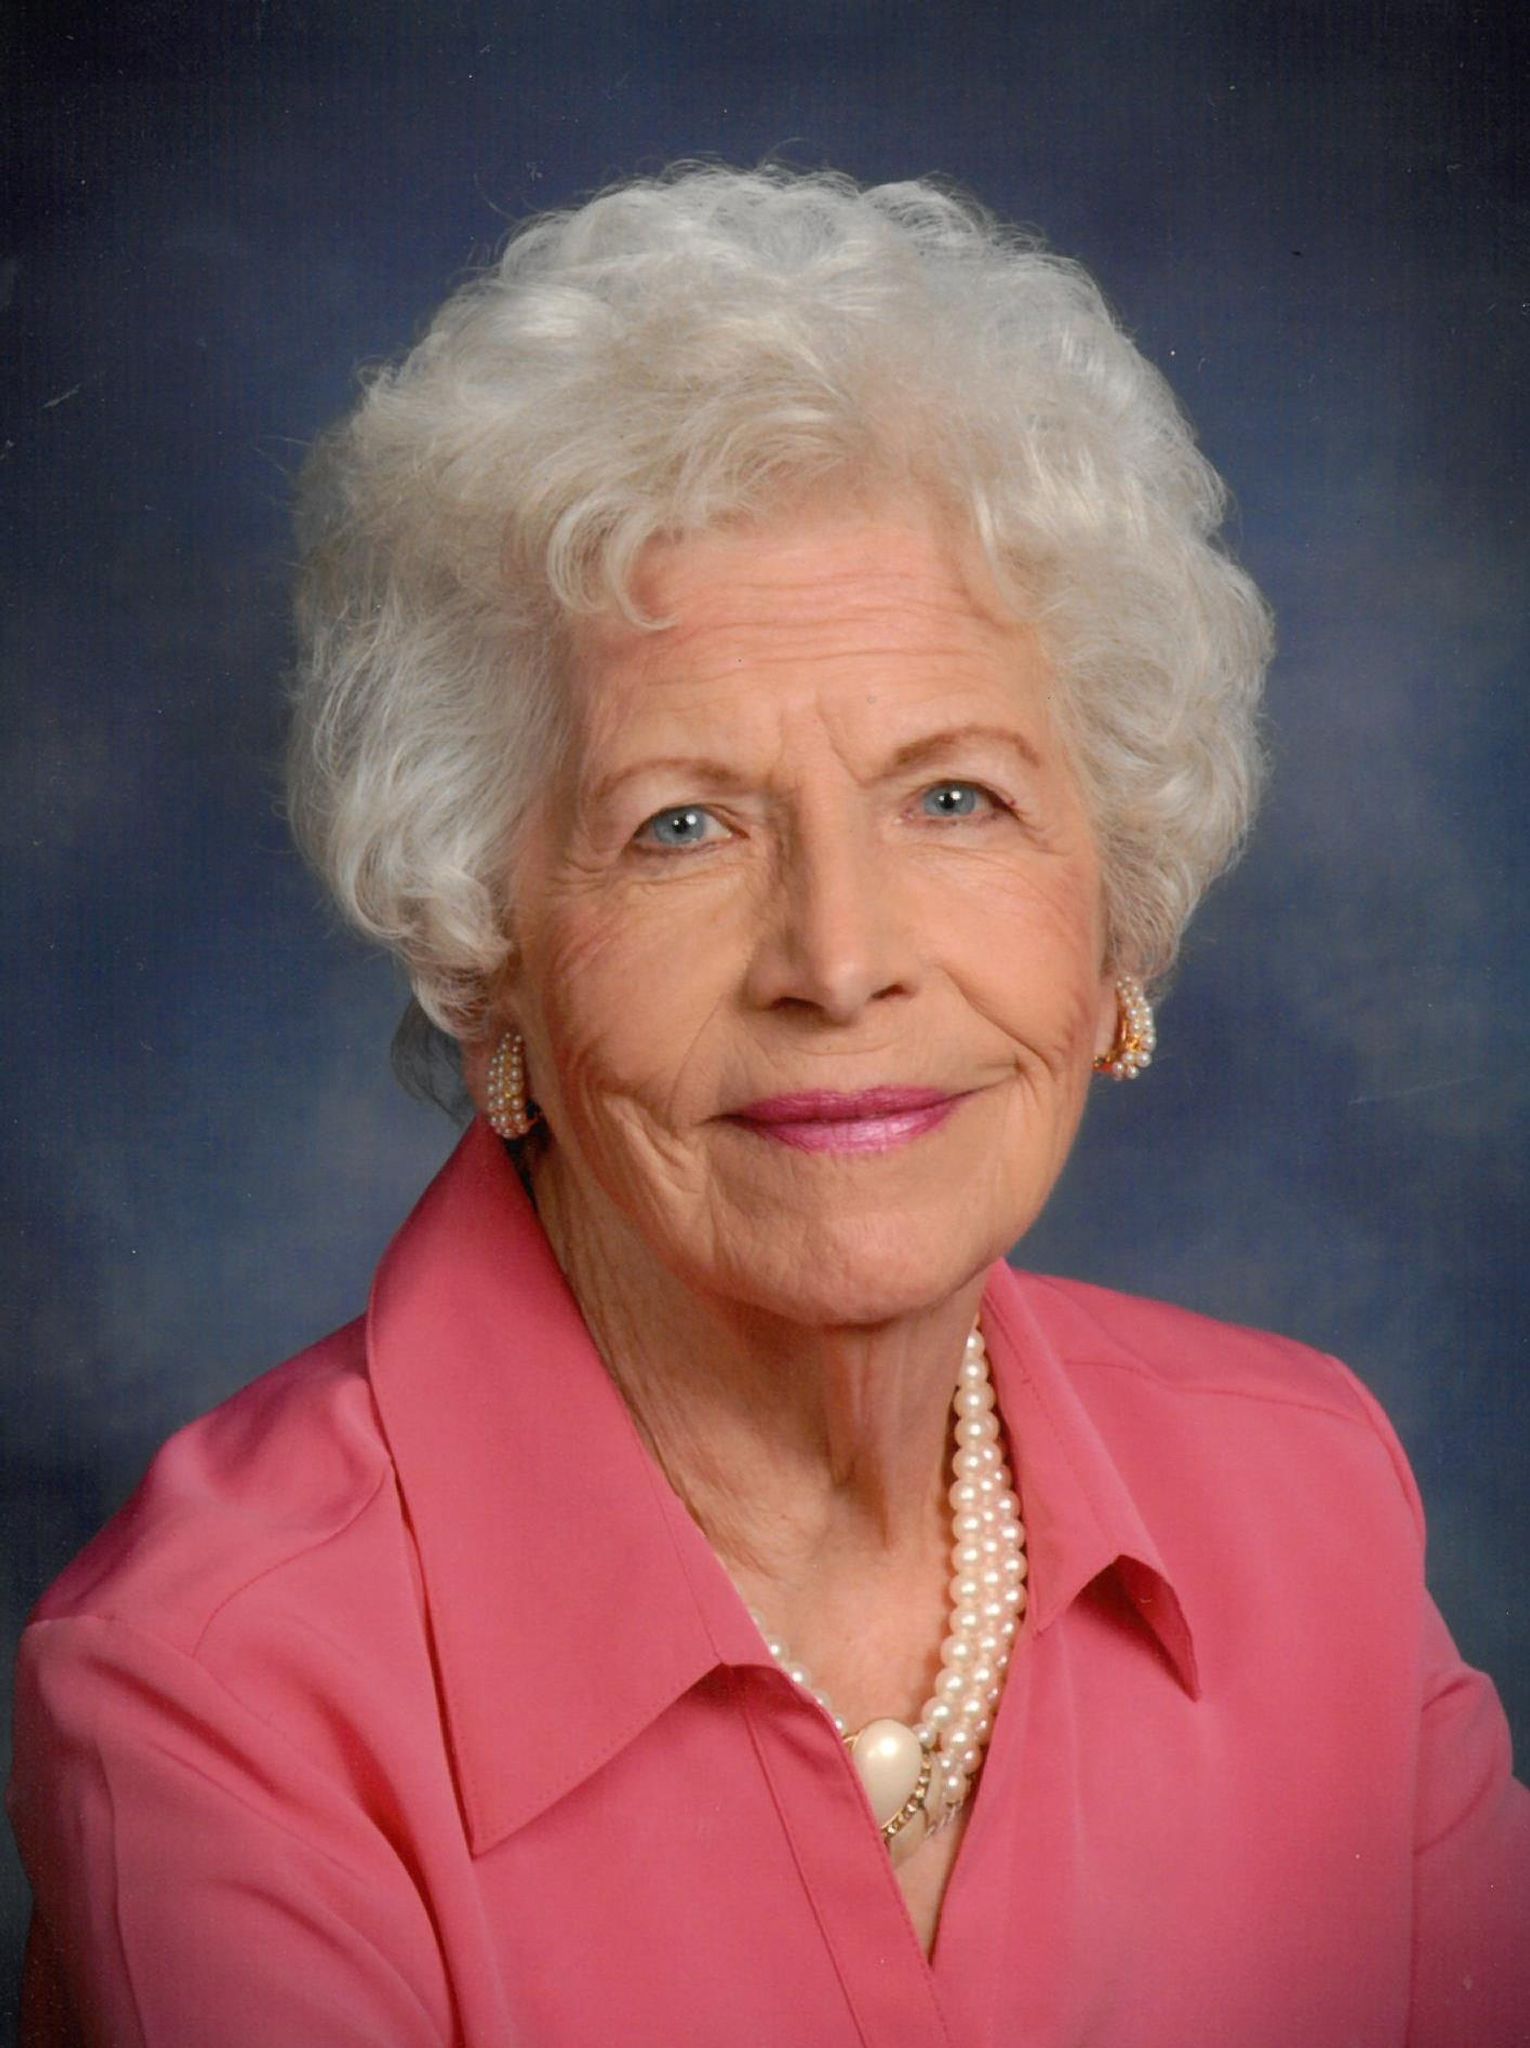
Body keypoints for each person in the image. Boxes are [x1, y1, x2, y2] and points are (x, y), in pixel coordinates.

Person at [9, 165, 1527, 2047]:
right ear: (489, 953)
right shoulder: (224, 1684)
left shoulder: (1305, 1501)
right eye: (682, 826)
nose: (839, 956)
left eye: (954, 798)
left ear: (1111, 915)